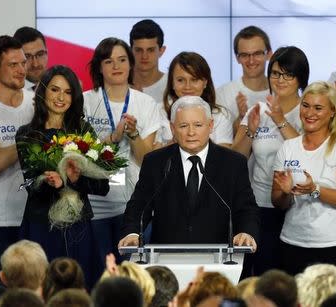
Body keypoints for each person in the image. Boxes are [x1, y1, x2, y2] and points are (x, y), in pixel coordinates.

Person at [119, 95, 259, 247]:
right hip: (167, 257)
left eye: (198, 125)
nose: (191, 132)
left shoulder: (233, 162)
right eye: (183, 126)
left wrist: (246, 231)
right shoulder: (155, 162)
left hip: (219, 256)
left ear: (210, 126)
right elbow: (139, 205)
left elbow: (246, 208)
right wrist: (132, 233)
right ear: (173, 128)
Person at [15, 65, 110, 288]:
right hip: (41, 226)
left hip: (79, 227)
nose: (61, 97)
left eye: (68, 92)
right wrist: (54, 183)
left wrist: (74, 180)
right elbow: (32, 187)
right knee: (41, 290)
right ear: (43, 92)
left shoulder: (84, 131)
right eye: (55, 90)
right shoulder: (27, 134)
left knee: (81, 291)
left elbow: (103, 186)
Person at [83, 37, 161, 273]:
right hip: (95, 203)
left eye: (122, 60)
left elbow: (146, 160)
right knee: (100, 276)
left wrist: (134, 134)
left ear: (130, 64)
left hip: (134, 205)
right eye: (108, 61)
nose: (116, 66)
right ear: (99, 66)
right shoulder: (85, 101)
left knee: (134, 277)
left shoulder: (146, 103)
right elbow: (77, 154)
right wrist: (113, 138)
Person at [232, 46, 308, 274]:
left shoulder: (310, 109)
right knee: (258, 275)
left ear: (300, 78)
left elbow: (308, 154)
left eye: (288, 74)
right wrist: (251, 131)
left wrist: (280, 120)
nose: (280, 80)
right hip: (259, 206)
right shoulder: (258, 110)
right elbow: (236, 159)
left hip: (299, 206)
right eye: (275, 73)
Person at [272, 81, 336, 275]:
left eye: (318, 108)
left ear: (332, 112)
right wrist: (285, 194)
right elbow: (277, 202)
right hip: (292, 242)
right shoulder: (288, 147)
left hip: (333, 244)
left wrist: (314, 189)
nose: (310, 113)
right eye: (306, 105)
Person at [0, 35, 34, 284]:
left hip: (34, 217)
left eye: (23, 62)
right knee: (1, 292)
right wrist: (30, 138)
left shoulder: (36, 102)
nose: (22, 70)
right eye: (13, 65)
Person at [163, 51, 233, 147]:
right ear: (172, 83)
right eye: (180, 80)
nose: (187, 87)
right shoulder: (159, 112)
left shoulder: (221, 115)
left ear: (205, 82)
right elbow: (152, 157)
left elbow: (225, 157)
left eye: (194, 80)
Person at [217, 26, 273, 133]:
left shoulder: (281, 92)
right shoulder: (223, 94)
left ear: (269, 54)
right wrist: (241, 119)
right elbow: (219, 140)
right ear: (237, 58)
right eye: (244, 55)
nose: (251, 61)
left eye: (257, 53)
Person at [130, 19, 167, 103]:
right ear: (130, 51)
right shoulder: (118, 85)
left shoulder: (174, 86)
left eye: (150, 50)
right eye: (139, 50)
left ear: (161, 51)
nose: (144, 56)